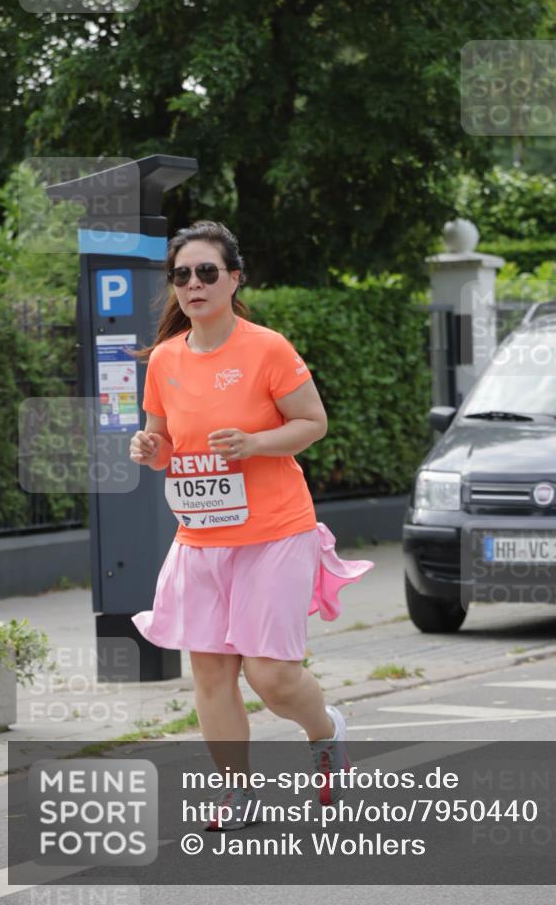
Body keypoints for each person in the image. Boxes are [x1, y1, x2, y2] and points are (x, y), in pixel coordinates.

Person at [129, 220, 373, 830]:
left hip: (274, 530)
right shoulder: (163, 359)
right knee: (211, 674)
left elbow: (312, 422)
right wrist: (148, 448)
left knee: (272, 676)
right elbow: (165, 445)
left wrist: (255, 443)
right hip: (201, 536)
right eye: (181, 274)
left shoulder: (267, 347)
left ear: (234, 279)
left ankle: (326, 732)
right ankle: (236, 794)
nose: (193, 283)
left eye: (207, 271)